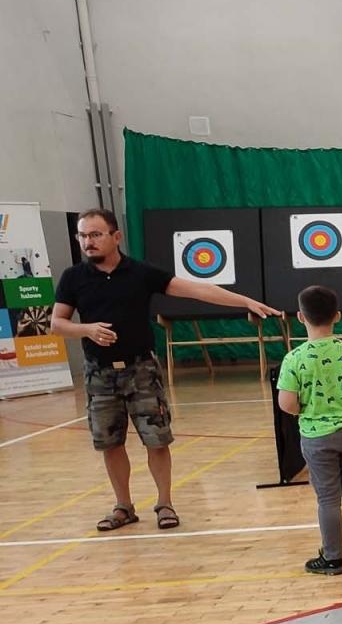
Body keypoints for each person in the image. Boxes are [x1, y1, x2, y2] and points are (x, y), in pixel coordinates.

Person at [50, 208, 281, 532]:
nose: (88, 241)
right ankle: (123, 506)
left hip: (141, 370)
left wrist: (244, 301)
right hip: (99, 374)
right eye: (83, 235)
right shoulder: (73, 278)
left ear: (116, 236)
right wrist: (86, 330)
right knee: (110, 443)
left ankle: (164, 503)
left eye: (96, 234)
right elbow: (57, 324)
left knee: (156, 439)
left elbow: (198, 289)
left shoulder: (141, 273)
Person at [275, 285, 342, 575]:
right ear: (337, 316)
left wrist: (309, 408)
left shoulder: (294, 358)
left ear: (300, 317)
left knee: (328, 498)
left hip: (316, 436)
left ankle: (332, 557)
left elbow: (287, 403)